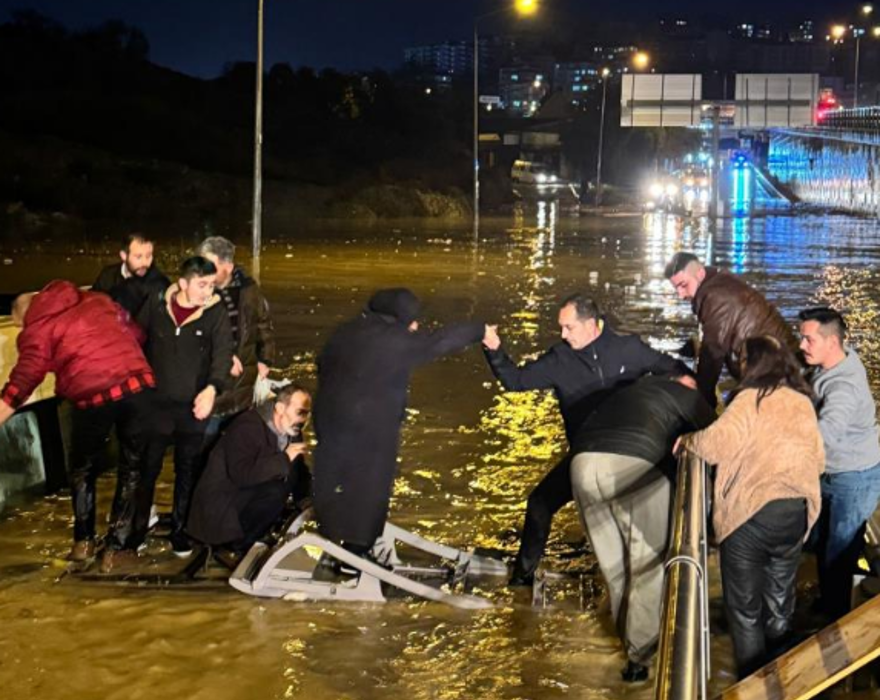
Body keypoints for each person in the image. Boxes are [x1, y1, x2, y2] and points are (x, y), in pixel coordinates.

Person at [482, 293, 692, 585]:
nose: (563, 335)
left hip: (630, 451)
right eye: (562, 328)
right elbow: (516, 381)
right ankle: (521, 579)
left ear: (592, 324)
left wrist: (683, 379)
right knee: (539, 504)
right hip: (587, 453)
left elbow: (669, 366)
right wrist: (494, 349)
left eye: (569, 328)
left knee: (669, 488)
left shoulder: (627, 348)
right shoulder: (559, 359)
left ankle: (678, 559)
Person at [678, 336, 824, 679]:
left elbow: (715, 445)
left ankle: (753, 684)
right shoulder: (801, 402)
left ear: (751, 365)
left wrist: (687, 441)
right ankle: (782, 677)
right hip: (794, 513)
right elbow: (818, 461)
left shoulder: (749, 400)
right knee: (779, 602)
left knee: (744, 611)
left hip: (749, 516)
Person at [313, 288, 487, 558]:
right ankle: (356, 551)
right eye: (413, 320)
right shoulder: (392, 340)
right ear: (400, 318)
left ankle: (330, 535)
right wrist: (480, 330)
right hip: (369, 428)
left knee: (335, 479)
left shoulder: (347, 330)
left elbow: (322, 364)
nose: (416, 326)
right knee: (372, 485)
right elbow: (439, 342)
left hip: (329, 420)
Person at [0, 281, 155, 571]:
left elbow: (22, 382)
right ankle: (117, 549)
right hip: (138, 387)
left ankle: (84, 543)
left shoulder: (36, 329)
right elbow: (135, 332)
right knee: (131, 467)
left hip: (92, 397)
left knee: (83, 468)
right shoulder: (98, 300)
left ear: (23, 317)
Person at [570, 375, 713, 682]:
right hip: (634, 466)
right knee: (647, 561)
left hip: (582, 464)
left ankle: (621, 634)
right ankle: (640, 658)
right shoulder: (688, 396)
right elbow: (715, 438)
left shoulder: (637, 391)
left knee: (613, 562)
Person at [135, 256, 235, 557]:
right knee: (146, 468)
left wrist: (212, 389)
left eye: (212, 286)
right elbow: (134, 342)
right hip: (155, 405)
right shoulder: (155, 305)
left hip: (194, 406)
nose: (208, 292)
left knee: (187, 469)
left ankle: (180, 531)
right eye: (202, 285)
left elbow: (223, 356)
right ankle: (136, 529)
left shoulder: (216, 314)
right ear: (183, 283)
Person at [798, 306, 880, 620]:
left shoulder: (842, 388)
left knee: (838, 554)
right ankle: (828, 601)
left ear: (832, 343)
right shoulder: (834, 360)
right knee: (821, 543)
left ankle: (834, 621)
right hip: (832, 472)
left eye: (808, 340)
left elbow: (824, 436)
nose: (802, 346)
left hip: (853, 479)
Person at [187, 384, 312, 559]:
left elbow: (298, 468)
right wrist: (284, 459)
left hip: (245, 496)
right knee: (275, 491)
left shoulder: (291, 428)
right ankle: (238, 544)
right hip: (222, 507)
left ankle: (255, 535)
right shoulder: (247, 426)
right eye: (300, 412)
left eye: (306, 413)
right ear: (280, 408)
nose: (303, 419)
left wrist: (307, 500)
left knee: (283, 486)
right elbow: (241, 475)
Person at [664, 252, 796, 407]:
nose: (680, 295)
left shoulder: (716, 297)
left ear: (700, 274)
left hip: (774, 375)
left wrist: (702, 402)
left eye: (684, 285)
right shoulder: (719, 282)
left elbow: (713, 351)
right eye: (676, 288)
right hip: (782, 365)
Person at [196, 236, 276, 443]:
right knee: (203, 440)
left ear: (228, 266)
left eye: (211, 265)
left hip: (242, 385)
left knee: (237, 441)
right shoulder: (196, 290)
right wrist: (224, 358)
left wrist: (265, 360)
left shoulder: (249, 290)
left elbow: (263, 325)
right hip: (211, 383)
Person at [92, 232, 170, 317]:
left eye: (148, 256)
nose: (145, 262)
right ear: (124, 256)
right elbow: (92, 304)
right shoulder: (107, 275)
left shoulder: (159, 285)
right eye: (138, 257)